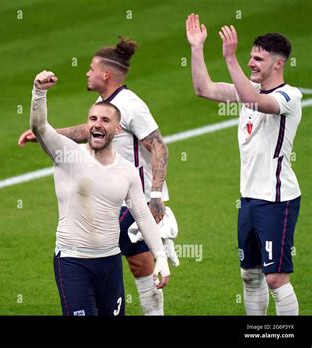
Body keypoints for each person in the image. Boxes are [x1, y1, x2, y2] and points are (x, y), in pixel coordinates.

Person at [19, 38, 174, 315]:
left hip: (129, 197)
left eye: (91, 69)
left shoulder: (130, 106)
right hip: (75, 255)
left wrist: (156, 196)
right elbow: (67, 129)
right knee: (138, 261)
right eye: (93, 120)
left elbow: (159, 146)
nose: (86, 73)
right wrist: (42, 130)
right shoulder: (100, 112)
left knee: (138, 258)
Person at [186, 13, 301, 315]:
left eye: (258, 59)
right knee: (249, 275)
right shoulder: (248, 89)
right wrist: (197, 48)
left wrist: (230, 59)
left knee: (275, 277)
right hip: (249, 199)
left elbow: (254, 102)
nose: (251, 63)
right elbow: (204, 89)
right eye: (250, 56)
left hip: (276, 200)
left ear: (278, 63)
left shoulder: (289, 96)